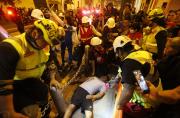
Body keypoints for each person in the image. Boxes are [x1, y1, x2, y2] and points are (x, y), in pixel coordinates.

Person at [0, 19, 61, 118]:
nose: (47, 45)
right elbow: (3, 85)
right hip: (15, 85)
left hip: (32, 82)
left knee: (43, 92)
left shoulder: (44, 45)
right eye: (45, 41)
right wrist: (9, 112)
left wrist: (52, 78)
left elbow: (50, 63)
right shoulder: (11, 47)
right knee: (30, 112)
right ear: (35, 33)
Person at [113, 35, 161, 118]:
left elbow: (128, 92)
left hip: (146, 104)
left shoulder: (129, 63)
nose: (118, 56)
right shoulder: (142, 54)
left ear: (119, 50)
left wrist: (118, 106)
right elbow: (139, 77)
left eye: (117, 53)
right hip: (157, 94)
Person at [146, 36, 180, 118]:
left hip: (173, 108)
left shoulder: (171, 63)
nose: (164, 49)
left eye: (166, 47)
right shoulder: (167, 61)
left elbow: (176, 94)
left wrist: (157, 94)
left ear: (173, 50)